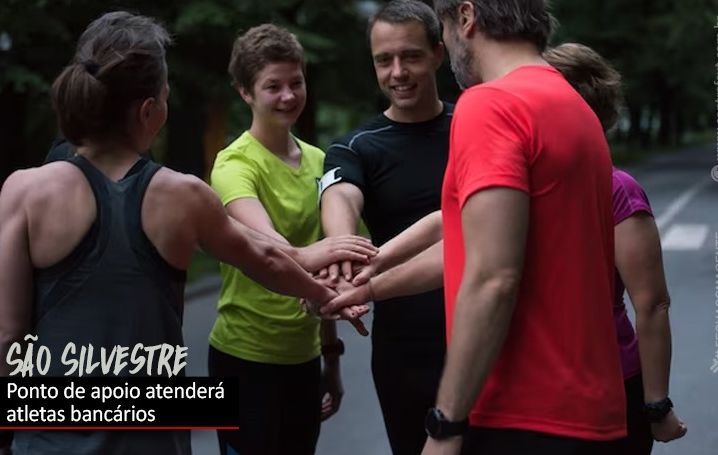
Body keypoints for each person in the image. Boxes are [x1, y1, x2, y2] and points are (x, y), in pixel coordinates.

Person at [0, 12, 375, 455]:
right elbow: (266, 259)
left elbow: (8, 335)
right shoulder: (182, 194)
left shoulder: (22, 191)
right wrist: (322, 294)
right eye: (165, 92)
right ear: (149, 111)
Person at [422, 1, 625, 453]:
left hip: (521, 413)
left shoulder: (491, 104)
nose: (446, 42)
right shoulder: (572, 104)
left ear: (467, 17)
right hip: (589, 412)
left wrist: (446, 425)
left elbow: (493, 277)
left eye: (445, 26)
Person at [206, 24, 371, 455]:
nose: (288, 96)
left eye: (296, 83)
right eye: (272, 86)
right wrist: (324, 252)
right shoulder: (233, 165)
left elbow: (340, 263)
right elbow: (270, 248)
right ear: (245, 93)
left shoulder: (319, 161)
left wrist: (330, 357)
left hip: (302, 360)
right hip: (243, 358)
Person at [318, 1, 451, 452]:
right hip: (405, 350)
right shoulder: (356, 146)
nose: (398, 72)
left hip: (494, 333)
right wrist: (340, 251)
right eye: (383, 60)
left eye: (410, 56)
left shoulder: (476, 124)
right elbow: (339, 194)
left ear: (439, 53)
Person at [544, 42, 687, 453]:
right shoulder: (515, 186)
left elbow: (652, 304)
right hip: (530, 386)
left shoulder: (616, 189)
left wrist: (656, 405)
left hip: (607, 385)